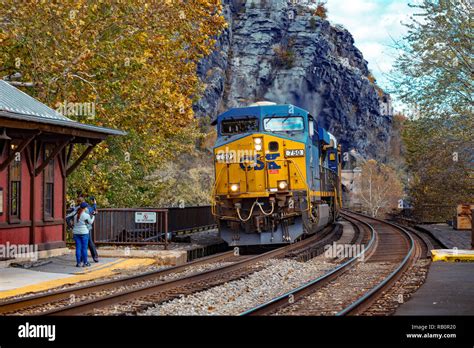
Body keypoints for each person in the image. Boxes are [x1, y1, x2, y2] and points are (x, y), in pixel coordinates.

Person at [66, 193, 99, 262]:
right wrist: (95, 204)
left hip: (77, 229)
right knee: (89, 243)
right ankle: (94, 257)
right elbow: (94, 211)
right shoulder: (88, 208)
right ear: (83, 201)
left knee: (79, 245)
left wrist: (70, 226)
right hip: (87, 228)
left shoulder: (76, 210)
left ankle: (80, 259)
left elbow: (68, 217)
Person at [72, 202, 95, 267]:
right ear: (85, 208)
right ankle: (85, 262)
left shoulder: (76, 215)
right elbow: (90, 222)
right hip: (84, 233)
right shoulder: (86, 215)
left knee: (78, 248)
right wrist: (93, 216)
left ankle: (78, 263)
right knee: (84, 248)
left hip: (76, 233)